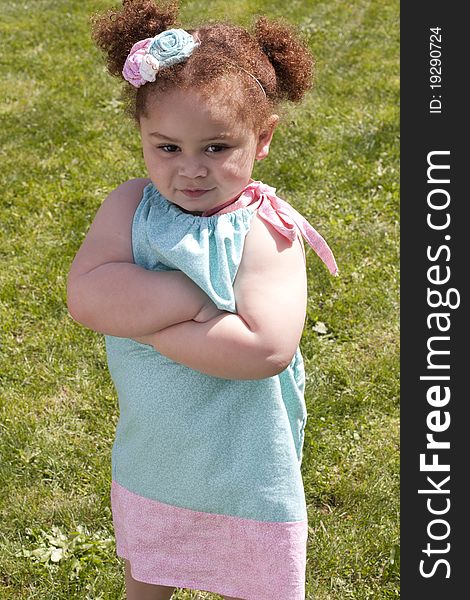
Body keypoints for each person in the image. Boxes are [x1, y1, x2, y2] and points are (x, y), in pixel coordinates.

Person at [67, 1, 338, 598]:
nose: (190, 170)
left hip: (245, 466)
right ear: (142, 135)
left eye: (216, 148)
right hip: (155, 455)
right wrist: (194, 300)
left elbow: (263, 348)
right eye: (168, 148)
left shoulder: (264, 230)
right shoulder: (129, 207)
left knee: (256, 582)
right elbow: (87, 296)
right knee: (149, 571)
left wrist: (146, 322)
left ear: (261, 139)